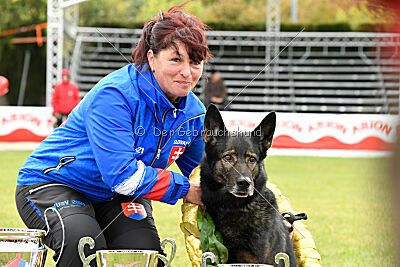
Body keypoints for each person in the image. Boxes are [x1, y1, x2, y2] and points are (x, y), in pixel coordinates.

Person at [15, 5, 212, 267]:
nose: (187, 73)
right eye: (176, 60)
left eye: (195, 62)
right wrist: (185, 189)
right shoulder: (116, 95)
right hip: (54, 183)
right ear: (152, 59)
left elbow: (207, 172)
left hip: (116, 195)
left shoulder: (195, 113)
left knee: (146, 255)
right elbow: (122, 176)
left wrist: (272, 211)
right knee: (83, 242)